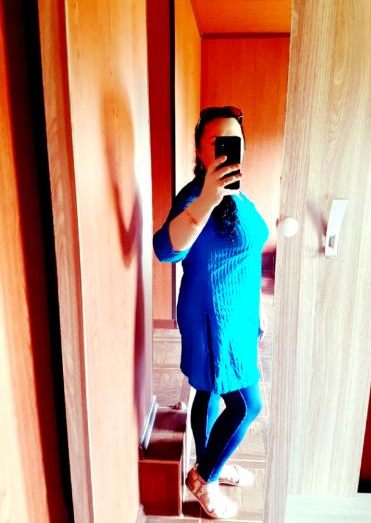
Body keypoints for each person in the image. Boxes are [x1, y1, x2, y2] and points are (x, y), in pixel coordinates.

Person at [153, 106, 269, 519]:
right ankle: (203, 477)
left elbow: (244, 257)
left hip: (237, 317)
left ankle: (211, 465)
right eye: (216, 142)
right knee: (247, 405)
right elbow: (165, 249)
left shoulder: (238, 194)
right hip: (212, 321)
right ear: (201, 152)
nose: (226, 149)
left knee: (209, 392)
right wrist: (207, 199)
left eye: (233, 141)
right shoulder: (196, 197)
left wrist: (257, 312)